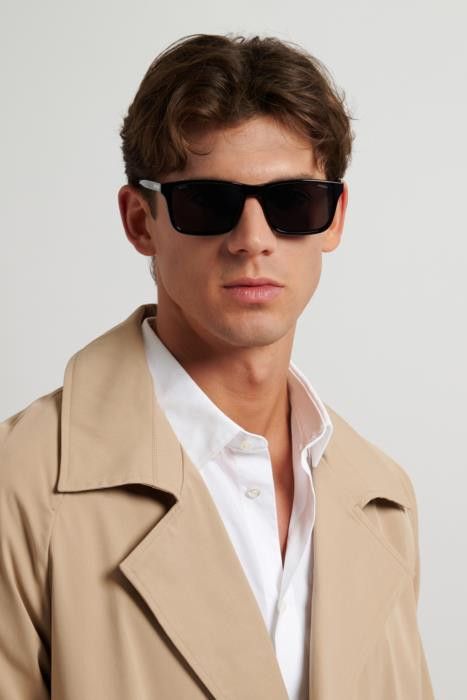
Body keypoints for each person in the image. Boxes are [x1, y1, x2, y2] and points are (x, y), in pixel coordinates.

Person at [0, 33, 435, 700]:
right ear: (140, 221)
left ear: (333, 218)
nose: (252, 240)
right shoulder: (21, 485)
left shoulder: (382, 502)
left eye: (292, 203)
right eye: (207, 203)